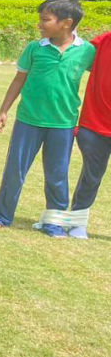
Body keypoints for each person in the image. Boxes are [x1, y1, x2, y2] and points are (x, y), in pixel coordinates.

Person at [0, 0, 94, 236]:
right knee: (15, 171)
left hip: (63, 124)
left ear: (66, 23)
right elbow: (18, 80)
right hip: (28, 121)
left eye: (46, 20)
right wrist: (4, 110)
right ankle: (2, 216)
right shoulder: (35, 48)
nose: (40, 24)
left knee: (57, 175)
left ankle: (53, 223)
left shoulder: (86, 51)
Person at [67, 30, 111, 238]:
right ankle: (76, 223)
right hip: (95, 126)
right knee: (91, 178)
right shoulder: (104, 41)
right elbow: (77, 55)